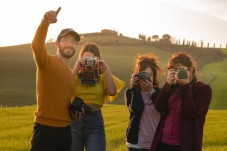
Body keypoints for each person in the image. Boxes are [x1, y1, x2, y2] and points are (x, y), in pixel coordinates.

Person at [30, 7, 80, 151]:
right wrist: (45, 23)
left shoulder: (70, 75)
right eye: (65, 40)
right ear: (57, 44)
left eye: (74, 42)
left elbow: (62, 103)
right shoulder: (45, 62)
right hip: (45, 130)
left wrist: (73, 116)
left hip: (66, 130)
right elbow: (36, 46)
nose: (70, 44)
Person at [150, 52, 212, 151]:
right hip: (162, 141)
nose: (178, 73)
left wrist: (186, 86)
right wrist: (168, 85)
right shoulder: (172, 87)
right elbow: (159, 107)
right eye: (174, 70)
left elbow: (191, 112)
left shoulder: (203, 89)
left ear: (190, 69)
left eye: (181, 69)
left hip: (184, 145)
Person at [70, 42, 125, 151]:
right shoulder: (75, 74)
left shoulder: (103, 75)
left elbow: (112, 92)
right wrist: (76, 68)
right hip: (74, 121)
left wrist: (106, 69)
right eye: (85, 59)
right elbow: (64, 88)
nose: (88, 63)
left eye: (92, 60)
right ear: (80, 58)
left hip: (94, 122)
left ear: (98, 59)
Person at [125, 53, 163, 151]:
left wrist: (151, 91)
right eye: (144, 75)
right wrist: (135, 87)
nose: (148, 78)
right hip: (135, 145)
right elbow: (137, 108)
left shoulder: (159, 92)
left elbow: (162, 108)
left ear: (154, 76)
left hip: (155, 144)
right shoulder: (131, 92)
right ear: (138, 75)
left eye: (150, 75)